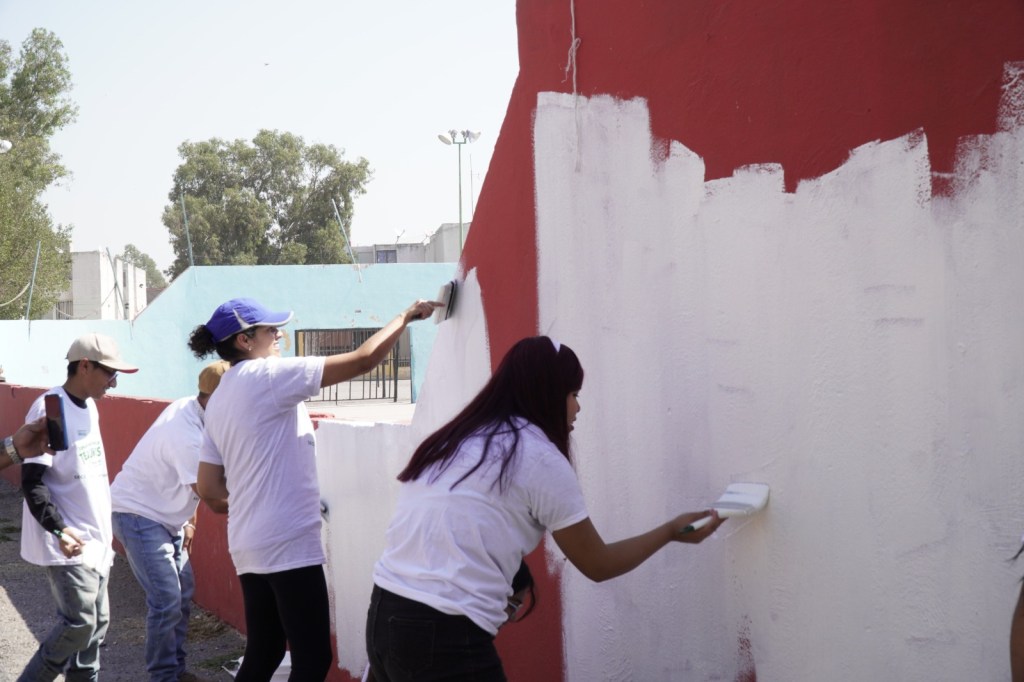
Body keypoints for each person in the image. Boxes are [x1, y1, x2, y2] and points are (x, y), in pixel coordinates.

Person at [366, 336, 725, 681]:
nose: (578, 407)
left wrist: (515, 576)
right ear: (549, 393)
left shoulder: (460, 438)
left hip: (384, 614)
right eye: (573, 394)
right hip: (443, 631)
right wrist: (669, 532)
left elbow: (461, 524)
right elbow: (597, 564)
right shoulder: (537, 455)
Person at [190, 296, 439, 682]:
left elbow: (208, 488)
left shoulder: (219, 397)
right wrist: (404, 316)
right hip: (287, 542)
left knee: (266, 650)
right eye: (272, 330)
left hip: (248, 541)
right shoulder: (268, 377)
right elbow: (362, 361)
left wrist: (251, 501)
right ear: (244, 340)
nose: (279, 336)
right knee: (312, 658)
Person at [18, 333, 139, 682]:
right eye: (109, 373)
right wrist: (58, 529)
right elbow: (33, 481)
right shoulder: (50, 409)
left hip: (95, 539)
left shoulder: (91, 406)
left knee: (96, 631)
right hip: (69, 541)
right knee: (80, 624)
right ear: (84, 366)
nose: (113, 382)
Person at [110, 360, 230, 682]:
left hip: (166, 517)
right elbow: (213, 496)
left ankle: (175, 669)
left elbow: (189, 480)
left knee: (182, 590)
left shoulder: (192, 408)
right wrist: (264, 505)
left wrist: (189, 523)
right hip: (138, 514)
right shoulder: (187, 434)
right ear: (218, 400)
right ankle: (164, 676)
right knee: (166, 598)